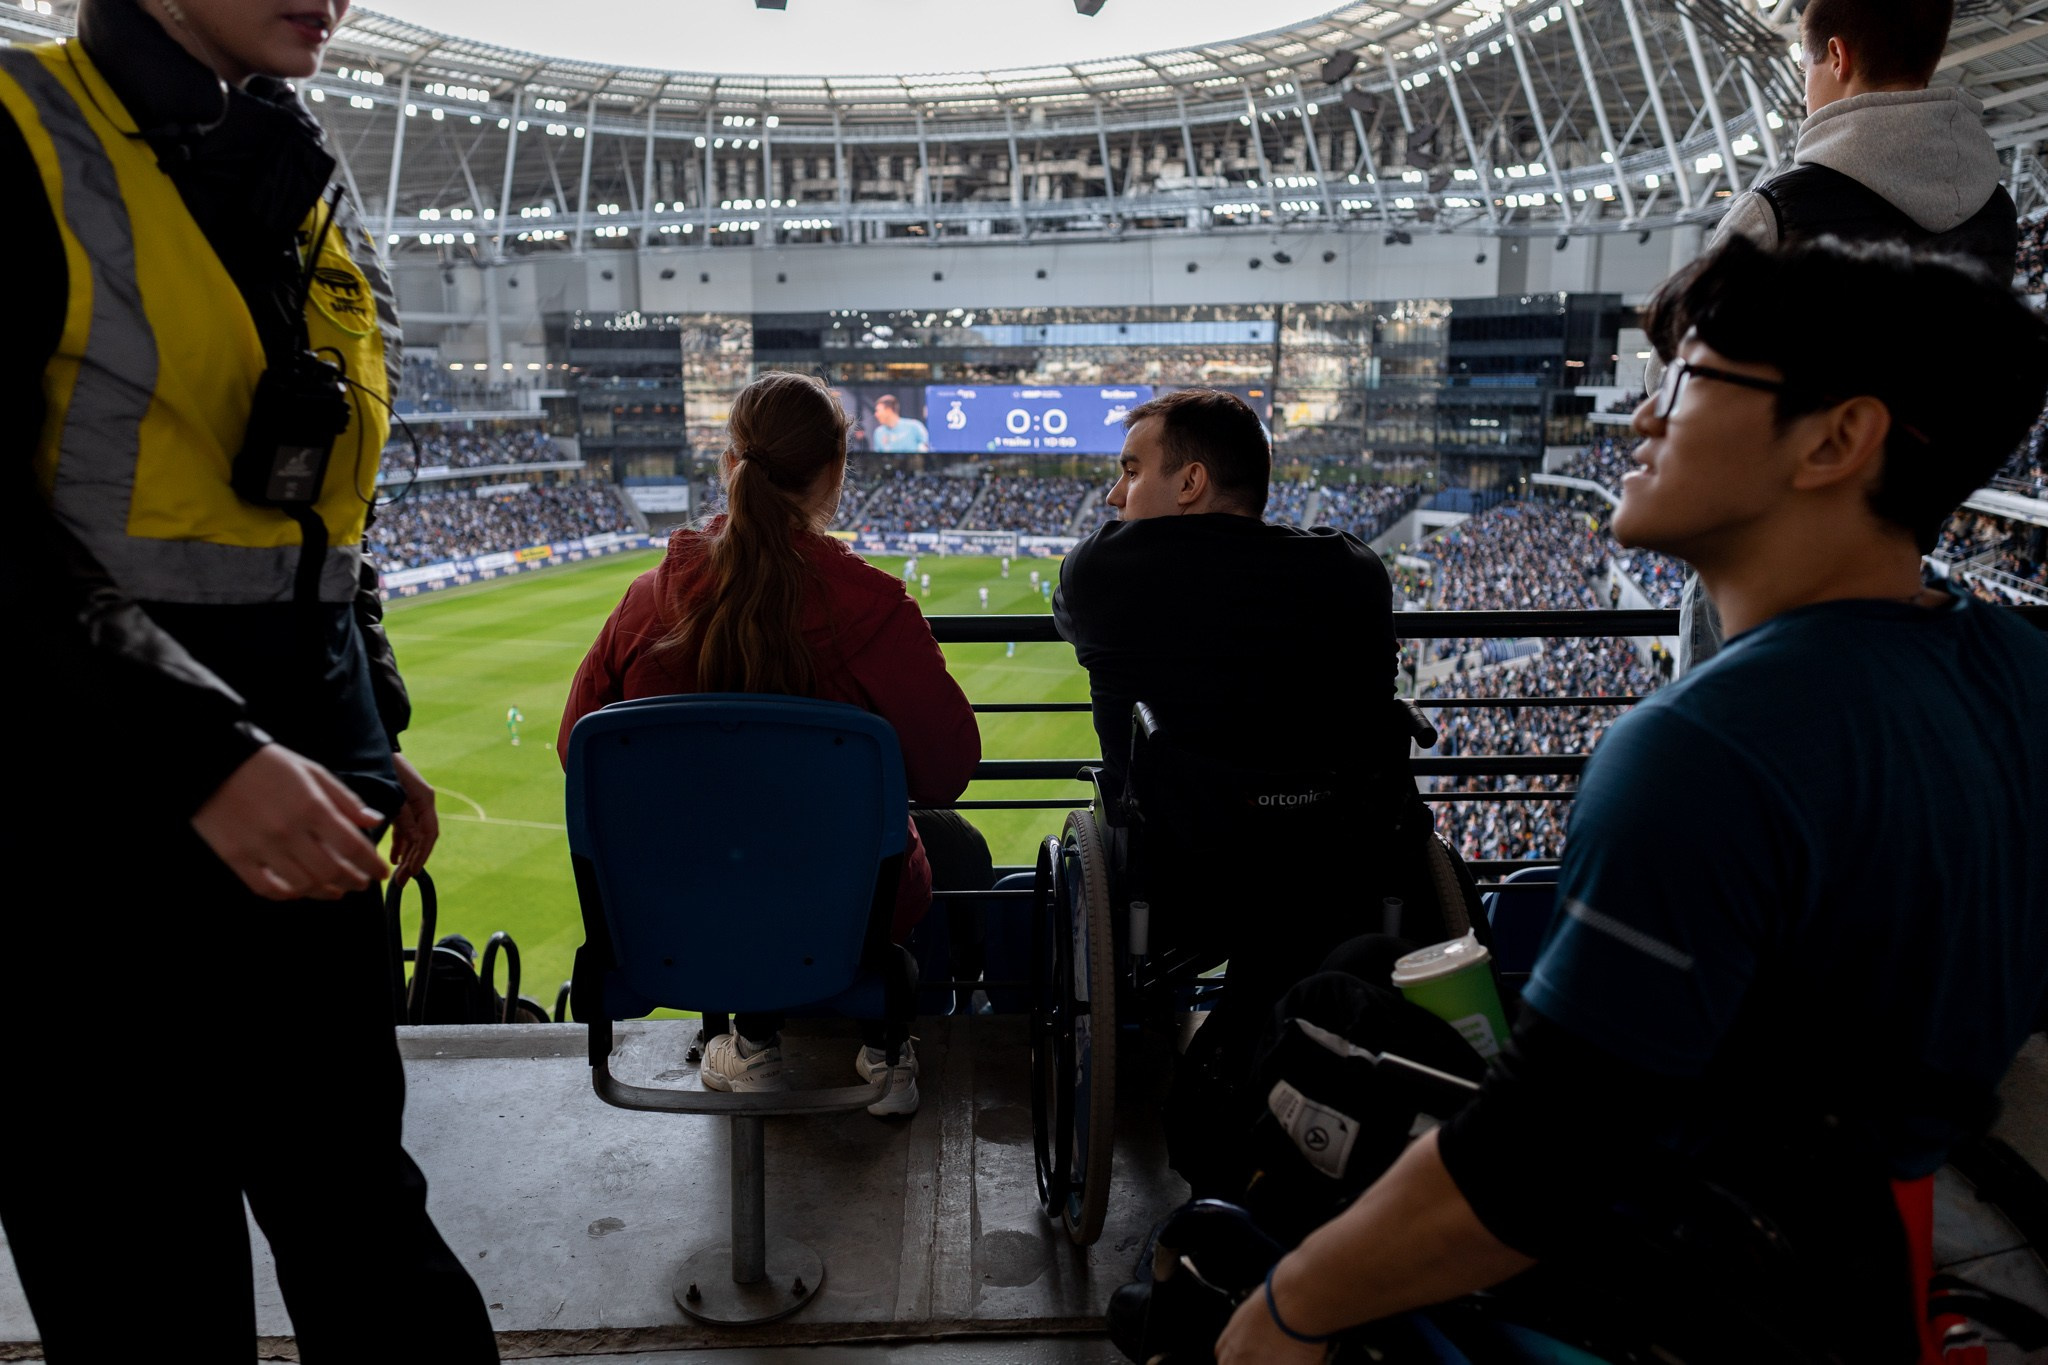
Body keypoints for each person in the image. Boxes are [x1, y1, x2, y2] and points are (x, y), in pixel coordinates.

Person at [1217, 237, 2048, 1364]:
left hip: (1708, 1286)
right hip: (1871, 1252)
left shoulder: (1703, 750)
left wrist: (1280, 1311)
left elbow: (1533, 1173)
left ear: (1836, 439)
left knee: (1215, 1253)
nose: (1639, 422)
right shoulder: (2011, 668)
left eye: (1688, 380)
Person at [1, 0, 494, 1359]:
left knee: (364, 1223)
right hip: (78, 835)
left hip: (303, 812)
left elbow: (313, 524)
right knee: (143, 1268)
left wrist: (363, 718)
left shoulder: (296, 170)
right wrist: (206, 750)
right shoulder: (21, 130)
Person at [561, 372, 985, 1118]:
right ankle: (889, 1041)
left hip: (677, 907)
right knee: (953, 844)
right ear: (835, 472)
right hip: (850, 907)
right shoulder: (874, 609)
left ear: (730, 463)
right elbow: (949, 770)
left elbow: (578, 749)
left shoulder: (647, 599)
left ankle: (751, 1045)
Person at [1054, 390, 1416, 1161]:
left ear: (1188, 482)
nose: (1115, 495)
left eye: (1129, 471)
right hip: (1335, 864)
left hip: (1182, 875)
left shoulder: (1101, 570)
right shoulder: (1353, 570)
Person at [1679, 0, 2018, 672]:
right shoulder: (1998, 216)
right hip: (1897, 552)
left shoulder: (1780, 209)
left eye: (1806, 66)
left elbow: (1687, 382)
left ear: (1836, 57)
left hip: (1768, 553)